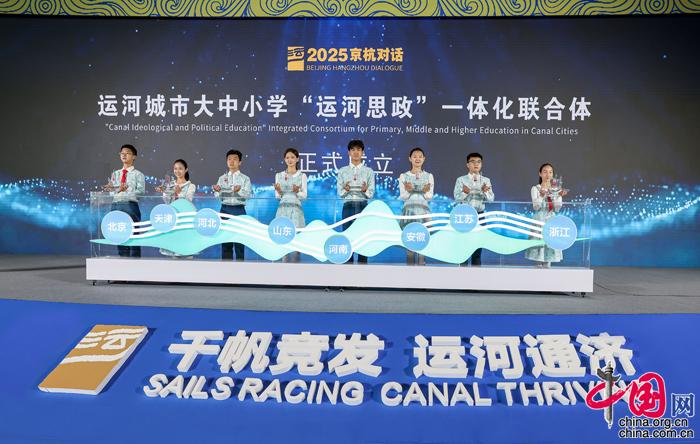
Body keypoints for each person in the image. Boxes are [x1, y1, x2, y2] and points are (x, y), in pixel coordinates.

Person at [336, 139, 375, 264]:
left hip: (363, 206)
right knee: (348, 236)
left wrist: (365, 190)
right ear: (349, 152)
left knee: (363, 236)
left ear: (363, 152)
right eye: (353, 150)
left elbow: (371, 193)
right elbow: (340, 193)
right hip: (348, 206)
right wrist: (346, 190)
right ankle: (348, 265)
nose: (356, 152)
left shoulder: (369, 171)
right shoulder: (342, 171)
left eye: (358, 149)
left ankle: (363, 266)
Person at [103, 144, 145, 257]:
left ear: (134, 156)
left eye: (127, 153)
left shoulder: (138, 174)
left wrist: (127, 190)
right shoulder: (115, 174)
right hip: (116, 205)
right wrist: (115, 190)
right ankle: (123, 260)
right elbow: (112, 193)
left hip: (130, 206)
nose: (124, 155)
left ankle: (135, 262)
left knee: (133, 235)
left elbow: (141, 192)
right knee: (119, 234)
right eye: (122, 153)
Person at [453, 152, 494, 266]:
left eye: (479, 162)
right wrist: (465, 193)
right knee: (464, 248)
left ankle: (477, 274)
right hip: (465, 216)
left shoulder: (486, 180)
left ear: (481, 164)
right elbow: (456, 198)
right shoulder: (461, 180)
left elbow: (491, 199)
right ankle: (462, 273)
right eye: (473, 161)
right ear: (467, 164)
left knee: (477, 248)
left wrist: (485, 192)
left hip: (480, 215)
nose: (476, 164)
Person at [525, 163, 569, 267]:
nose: (548, 175)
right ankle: (538, 268)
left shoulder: (556, 189)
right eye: (545, 172)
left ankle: (547, 269)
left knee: (550, 246)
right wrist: (541, 195)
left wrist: (558, 196)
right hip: (539, 220)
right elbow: (536, 207)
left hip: (551, 220)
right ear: (540, 174)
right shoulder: (535, 188)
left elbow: (557, 208)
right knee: (539, 249)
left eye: (550, 172)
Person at [213, 149, 252, 261]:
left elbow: (248, 195)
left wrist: (239, 191)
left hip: (239, 210)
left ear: (240, 162)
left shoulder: (245, 179)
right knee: (226, 241)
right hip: (225, 209)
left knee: (239, 242)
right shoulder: (222, 178)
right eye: (229, 159)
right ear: (227, 162)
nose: (231, 161)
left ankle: (240, 267)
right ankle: (226, 268)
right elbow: (217, 196)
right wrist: (217, 190)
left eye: (235, 159)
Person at [398, 147, 434, 265]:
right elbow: (403, 196)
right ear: (410, 159)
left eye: (420, 156)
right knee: (410, 237)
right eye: (414, 156)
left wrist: (417, 190)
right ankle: (409, 265)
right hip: (409, 210)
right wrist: (411, 190)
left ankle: (422, 264)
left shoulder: (429, 176)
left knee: (422, 237)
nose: (417, 159)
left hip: (423, 210)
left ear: (424, 159)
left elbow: (429, 196)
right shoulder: (404, 176)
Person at [156, 159, 196, 258]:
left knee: (186, 250)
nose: (177, 171)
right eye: (175, 168)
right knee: (174, 250)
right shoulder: (170, 185)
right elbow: (167, 201)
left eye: (180, 168)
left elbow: (188, 201)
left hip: (184, 218)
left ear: (186, 170)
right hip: (172, 217)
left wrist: (178, 193)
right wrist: (164, 192)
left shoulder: (191, 186)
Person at [274, 148, 307, 262]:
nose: (290, 160)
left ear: (297, 159)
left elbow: (304, 195)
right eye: (287, 157)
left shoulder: (302, 175)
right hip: (283, 208)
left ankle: (296, 262)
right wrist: (278, 191)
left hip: (296, 208)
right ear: (284, 159)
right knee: (283, 235)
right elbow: (277, 196)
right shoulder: (279, 175)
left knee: (296, 237)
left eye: (292, 157)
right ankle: (284, 262)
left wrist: (297, 191)